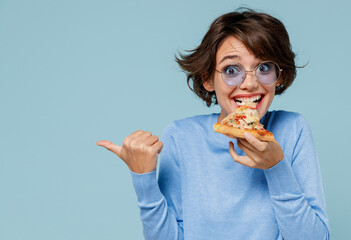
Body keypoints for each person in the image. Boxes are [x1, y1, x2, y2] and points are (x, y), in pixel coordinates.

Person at [97, 8, 330, 240]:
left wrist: (276, 167)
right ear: (208, 78)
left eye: (264, 68)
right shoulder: (181, 136)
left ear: (278, 75)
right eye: (231, 70)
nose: (249, 83)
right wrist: (143, 179)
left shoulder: (292, 129)